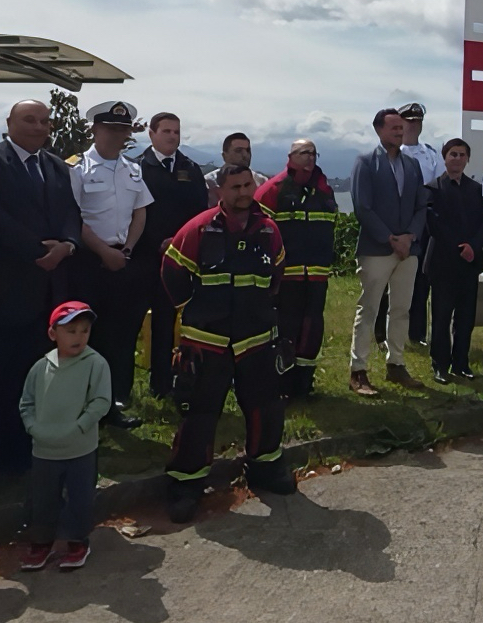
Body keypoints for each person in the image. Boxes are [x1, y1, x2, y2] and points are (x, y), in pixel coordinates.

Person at [0, 100, 83, 491]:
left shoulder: (57, 167)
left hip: (45, 293)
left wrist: (69, 246)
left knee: (33, 382)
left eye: (45, 121)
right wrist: (35, 250)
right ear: (9, 123)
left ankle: (22, 456)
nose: (39, 127)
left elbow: (71, 214)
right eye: (30, 120)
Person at [160, 164, 295, 522]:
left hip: (256, 338)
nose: (243, 192)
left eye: (248, 184)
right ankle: (186, 482)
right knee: (201, 411)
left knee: (265, 406)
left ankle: (265, 467)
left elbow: (277, 275)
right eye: (235, 186)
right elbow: (172, 271)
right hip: (208, 339)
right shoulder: (199, 228)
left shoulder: (269, 229)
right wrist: (192, 309)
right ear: (220, 191)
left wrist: (262, 309)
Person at [67, 101, 153, 430]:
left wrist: (127, 248)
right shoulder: (77, 167)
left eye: (124, 130)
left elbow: (140, 211)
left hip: (124, 259)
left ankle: (112, 405)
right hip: (89, 263)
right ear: (95, 130)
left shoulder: (132, 169)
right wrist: (104, 251)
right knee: (86, 336)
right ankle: (82, 407)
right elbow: (73, 218)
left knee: (120, 337)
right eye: (112, 129)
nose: (119, 136)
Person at [17, 301, 111, 571]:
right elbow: (27, 403)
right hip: (44, 448)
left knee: (80, 497)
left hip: (80, 447)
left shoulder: (96, 363)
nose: (79, 337)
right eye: (71, 331)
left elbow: (101, 401)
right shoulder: (40, 368)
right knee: (43, 497)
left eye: (84, 330)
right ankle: (41, 542)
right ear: (53, 334)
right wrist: (33, 427)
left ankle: (77, 542)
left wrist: (81, 426)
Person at [348, 109, 427, 395]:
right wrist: (390, 238)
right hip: (377, 249)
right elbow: (362, 207)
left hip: (408, 250)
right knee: (368, 309)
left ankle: (396, 364)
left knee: (402, 309)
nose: (399, 131)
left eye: (401, 127)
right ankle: (359, 370)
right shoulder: (366, 163)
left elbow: (421, 205)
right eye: (393, 127)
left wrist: (410, 236)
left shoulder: (412, 165)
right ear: (379, 130)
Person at [255, 139, 339, 398]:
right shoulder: (274, 189)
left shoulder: (324, 190)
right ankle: (282, 382)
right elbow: (259, 230)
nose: (310, 158)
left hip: (317, 273)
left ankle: (305, 382)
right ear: (290, 156)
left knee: (312, 327)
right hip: (286, 274)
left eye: (314, 153)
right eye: (304, 153)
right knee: (285, 327)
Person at [136, 112, 211, 398]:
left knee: (170, 321)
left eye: (176, 132)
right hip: (145, 255)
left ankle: (167, 382)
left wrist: (180, 242)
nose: (172, 137)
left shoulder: (190, 169)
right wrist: (157, 241)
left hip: (180, 257)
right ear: (151, 134)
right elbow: (134, 212)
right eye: (166, 131)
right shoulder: (138, 168)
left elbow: (199, 211)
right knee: (137, 321)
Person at [424, 138, 483, 381]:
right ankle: (440, 365)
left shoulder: (475, 189)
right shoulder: (432, 189)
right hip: (443, 262)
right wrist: (459, 246)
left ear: (468, 159)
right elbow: (434, 223)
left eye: (462, 155)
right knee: (441, 317)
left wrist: (473, 246)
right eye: (453, 154)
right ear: (445, 157)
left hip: (469, 263)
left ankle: (461, 363)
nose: (458, 159)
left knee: (465, 317)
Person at [394, 102, 445, 351]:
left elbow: (438, 189)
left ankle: (416, 333)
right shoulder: (393, 152)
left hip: (424, 224)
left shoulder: (431, 155)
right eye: (409, 121)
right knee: (391, 279)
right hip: (398, 223)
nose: (414, 126)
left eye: (417, 122)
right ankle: (384, 333)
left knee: (421, 280)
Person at [204, 133, 267, 202]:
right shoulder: (209, 183)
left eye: (248, 150)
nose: (245, 155)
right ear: (224, 156)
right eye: (238, 151)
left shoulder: (261, 181)